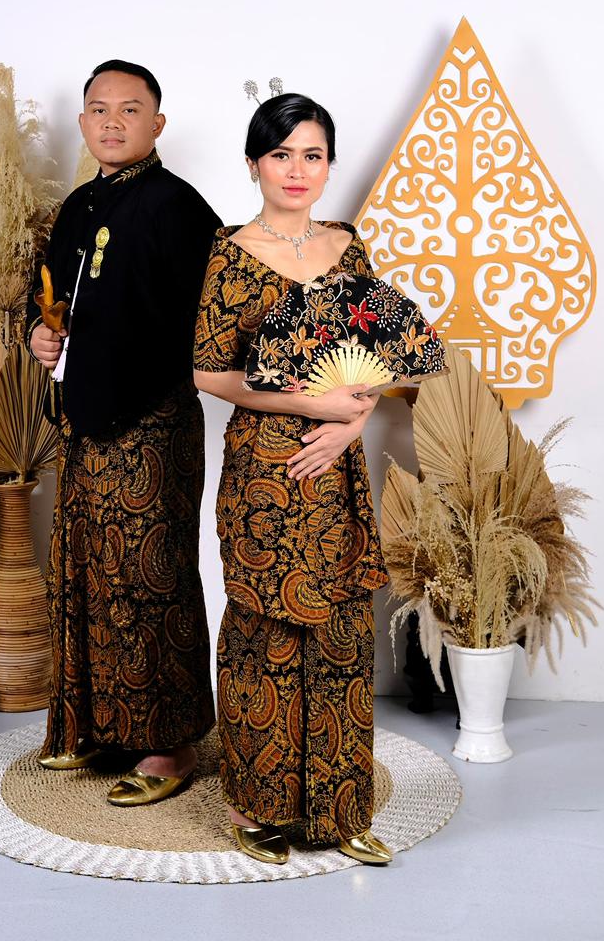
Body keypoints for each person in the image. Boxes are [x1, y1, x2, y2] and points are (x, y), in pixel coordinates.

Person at [193, 93, 393, 865]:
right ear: (254, 165)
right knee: (266, 631)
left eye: (312, 154)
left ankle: (342, 809)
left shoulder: (347, 246)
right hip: (266, 469)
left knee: (342, 627)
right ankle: (257, 809)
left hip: (336, 467)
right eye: (281, 155)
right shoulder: (230, 252)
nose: (297, 169)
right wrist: (315, 405)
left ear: (329, 164)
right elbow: (209, 373)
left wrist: (353, 422)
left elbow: (375, 354)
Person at [27, 59, 219, 805]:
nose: (112, 121)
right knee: (88, 573)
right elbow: (51, 302)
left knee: (151, 576)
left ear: (157, 123)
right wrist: (42, 337)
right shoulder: (78, 205)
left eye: (129, 109)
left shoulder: (179, 206)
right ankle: (101, 727)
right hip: (85, 419)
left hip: (153, 420)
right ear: (83, 123)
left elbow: (211, 323)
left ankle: (169, 746)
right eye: (99, 109)